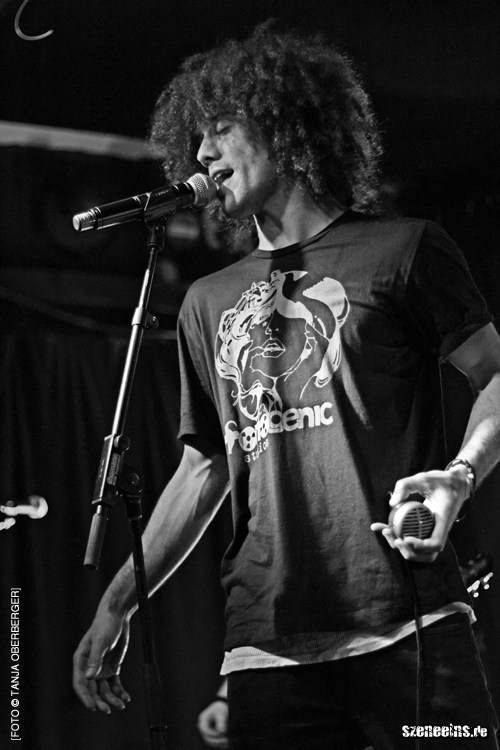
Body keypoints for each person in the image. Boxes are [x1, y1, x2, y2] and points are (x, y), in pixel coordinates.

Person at [73, 21, 500, 749]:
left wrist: (459, 476)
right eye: (196, 138)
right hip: (266, 650)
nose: (202, 154)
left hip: (409, 625)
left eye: (221, 129)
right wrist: (118, 604)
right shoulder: (208, 300)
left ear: (285, 126)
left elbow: (494, 374)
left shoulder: (403, 250)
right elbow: (204, 466)